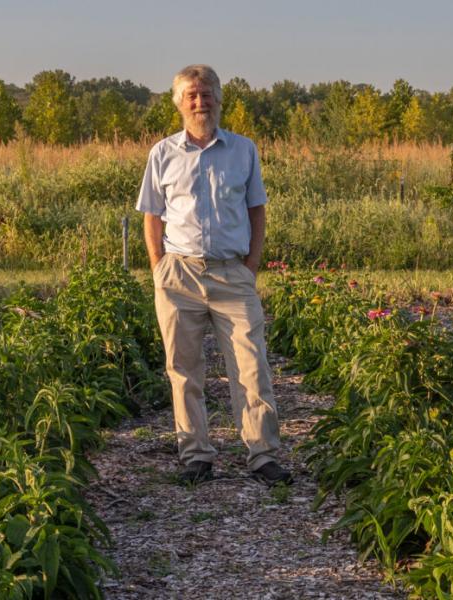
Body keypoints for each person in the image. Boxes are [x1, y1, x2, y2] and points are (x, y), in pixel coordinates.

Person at [135, 64, 291, 486]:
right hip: (179, 276)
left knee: (251, 365)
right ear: (179, 104)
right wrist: (158, 267)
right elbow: (152, 215)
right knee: (183, 368)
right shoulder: (163, 153)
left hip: (231, 274)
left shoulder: (243, 150)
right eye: (192, 96)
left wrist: (251, 266)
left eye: (207, 95)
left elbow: (257, 210)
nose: (200, 102)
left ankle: (262, 455)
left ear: (219, 100)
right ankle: (196, 455)